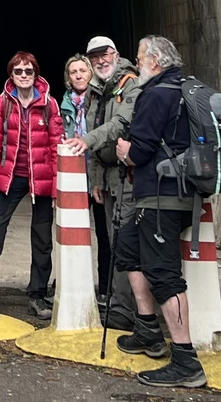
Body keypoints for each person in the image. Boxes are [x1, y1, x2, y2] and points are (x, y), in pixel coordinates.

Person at [123, 35, 205, 389]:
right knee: (127, 248)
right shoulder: (187, 87)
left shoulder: (157, 93)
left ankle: (186, 360)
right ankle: (148, 330)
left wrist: (125, 149)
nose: (137, 63)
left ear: (154, 61)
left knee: (164, 273)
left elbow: (139, 150)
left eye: (140, 58)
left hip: (162, 197)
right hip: (175, 193)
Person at [0, 51, 64, 320]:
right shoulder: (2, 103)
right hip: (11, 176)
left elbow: (56, 145)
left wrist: (56, 188)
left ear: (36, 73)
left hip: (41, 177)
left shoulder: (49, 103)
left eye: (29, 71)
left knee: (42, 238)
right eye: (19, 71)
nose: (24, 76)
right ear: (11, 75)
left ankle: (37, 295)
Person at [79, 35, 137, 319]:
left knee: (125, 241)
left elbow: (119, 125)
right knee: (115, 241)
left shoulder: (130, 84)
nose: (101, 61)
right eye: (95, 57)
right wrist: (96, 180)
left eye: (105, 55)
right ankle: (119, 304)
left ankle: (125, 311)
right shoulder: (96, 89)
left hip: (129, 175)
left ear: (115, 54)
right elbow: (100, 143)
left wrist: (86, 141)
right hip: (108, 177)